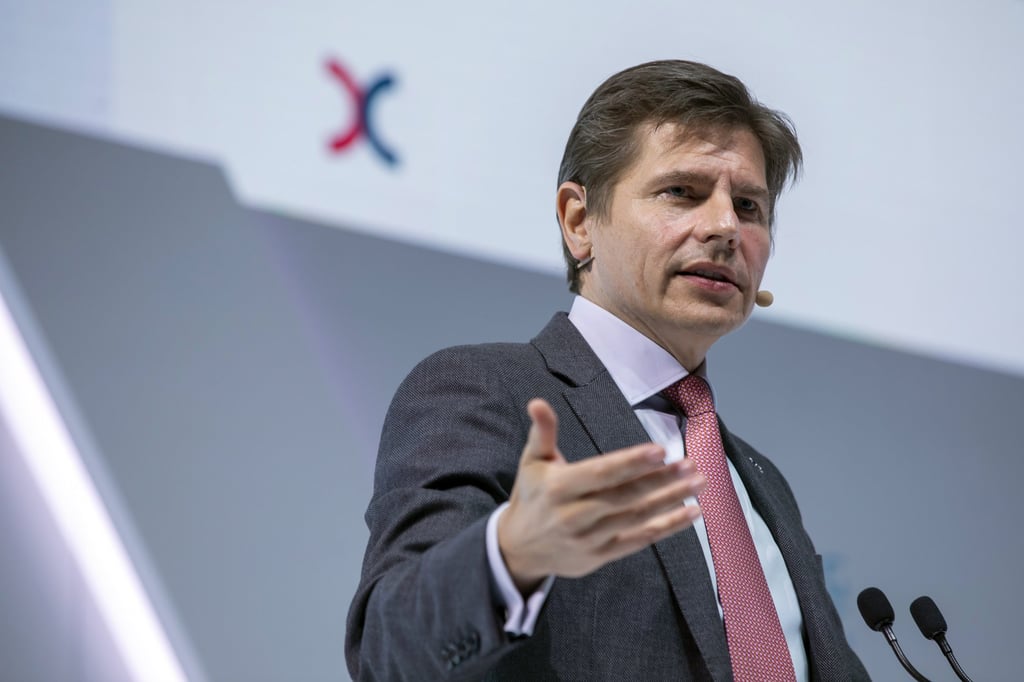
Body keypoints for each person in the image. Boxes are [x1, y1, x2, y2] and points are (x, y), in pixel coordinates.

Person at [346, 60, 869, 681]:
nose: (726, 227)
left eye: (750, 206)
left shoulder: (761, 481)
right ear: (578, 221)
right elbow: (388, 650)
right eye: (683, 192)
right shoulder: (485, 393)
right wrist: (509, 554)